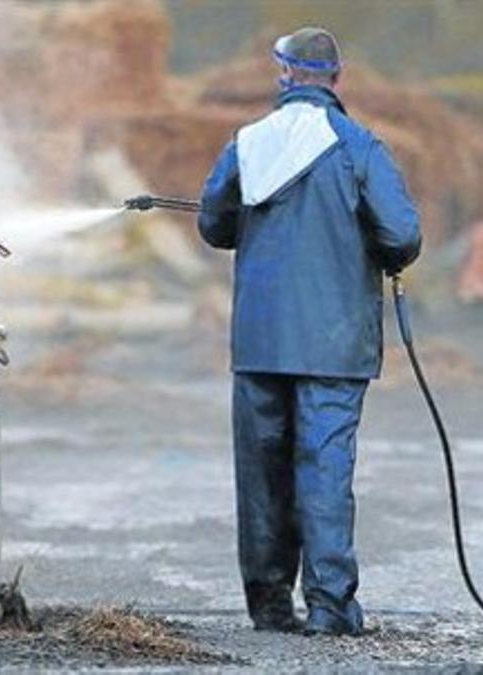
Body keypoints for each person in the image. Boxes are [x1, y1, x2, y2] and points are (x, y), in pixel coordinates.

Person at [198, 27, 422, 636]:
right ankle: (329, 608)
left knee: (263, 473)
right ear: (336, 79)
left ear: (285, 75)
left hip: (261, 342)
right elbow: (402, 235)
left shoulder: (247, 144)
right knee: (323, 469)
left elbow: (214, 225)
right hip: (335, 343)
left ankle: (270, 607)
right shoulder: (358, 146)